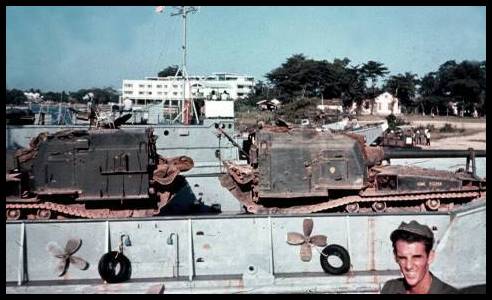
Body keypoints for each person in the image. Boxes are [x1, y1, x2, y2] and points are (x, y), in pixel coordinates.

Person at [381, 220, 458, 294]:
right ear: (395, 257)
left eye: (416, 257)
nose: (408, 266)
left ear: (430, 257)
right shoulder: (390, 288)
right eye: (402, 258)